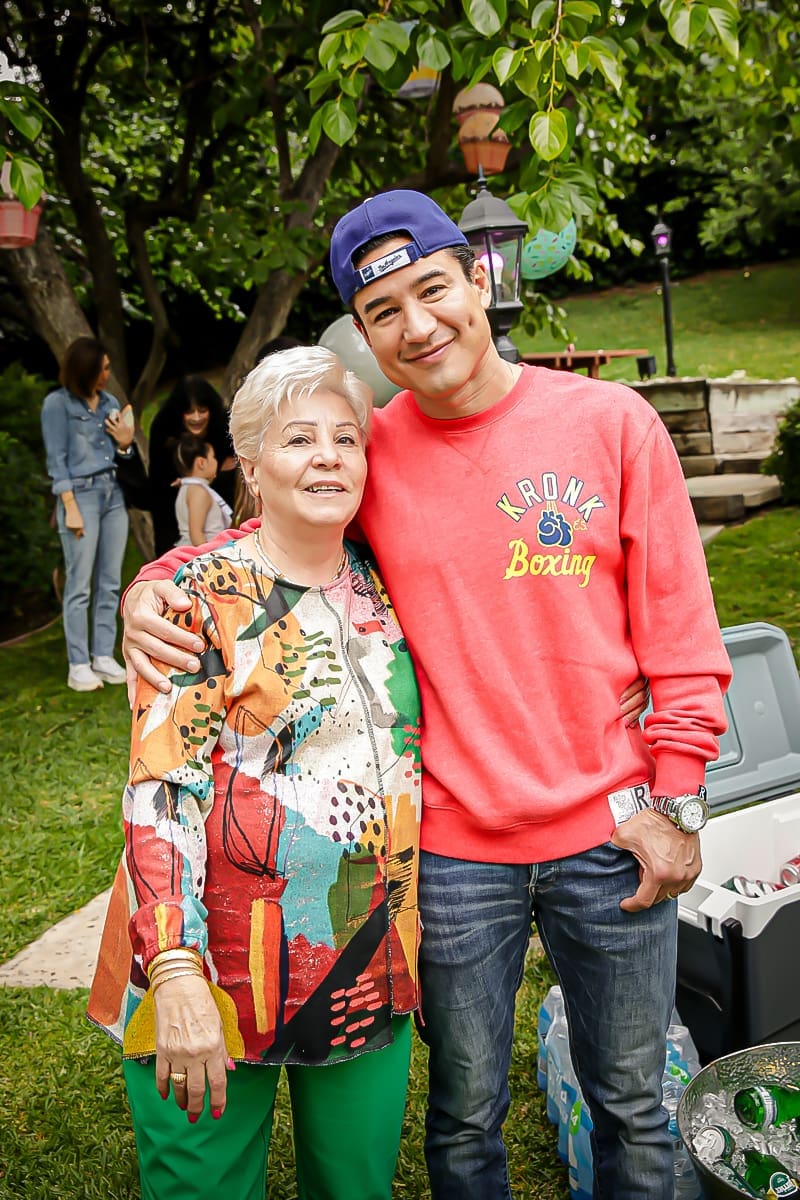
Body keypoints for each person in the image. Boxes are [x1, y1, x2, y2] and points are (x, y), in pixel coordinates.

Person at [120, 190, 732, 1199]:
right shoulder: (372, 454)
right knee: (461, 1119)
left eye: (432, 290)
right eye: (383, 313)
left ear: (478, 279)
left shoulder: (610, 424)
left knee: (631, 1101)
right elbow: (271, 550)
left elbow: (681, 633)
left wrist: (677, 799)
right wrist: (153, 586)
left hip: (612, 833)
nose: (418, 325)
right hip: (449, 855)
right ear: (363, 336)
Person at [87, 346, 423, 1200]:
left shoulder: (387, 590)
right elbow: (161, 793)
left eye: (346, 440)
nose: (327, 457)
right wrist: (173, 971)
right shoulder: (195, 600)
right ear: (251, 463)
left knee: (357, 1190)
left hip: (364, 961)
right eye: (298, 439)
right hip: (210, 966)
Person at [41, 336, 133, 691]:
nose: (107, 374)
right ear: (85, 371)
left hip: (113, 494)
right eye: (103, 368)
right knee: (79, 585)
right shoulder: (56, 405)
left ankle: (103, 656)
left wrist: (125, 444)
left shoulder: (108, 402)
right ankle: (78, 664)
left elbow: (121, 455)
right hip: (80, 497)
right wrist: (70, 508)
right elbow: (56, 462)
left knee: (110, 582)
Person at [148, 375, 237, 555]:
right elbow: (158, 486)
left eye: (202, 410)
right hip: (174, 515)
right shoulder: (163, 429)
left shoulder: (225, 426)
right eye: (189, 412)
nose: (196, 418)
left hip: (218, 513)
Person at [171, 432, 233, 545]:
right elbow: (196, 534)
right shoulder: (199, 492)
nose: (216, 461)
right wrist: (209, 560)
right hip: (206, 552)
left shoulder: (187, 488)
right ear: (201, 463)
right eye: (213, 457)